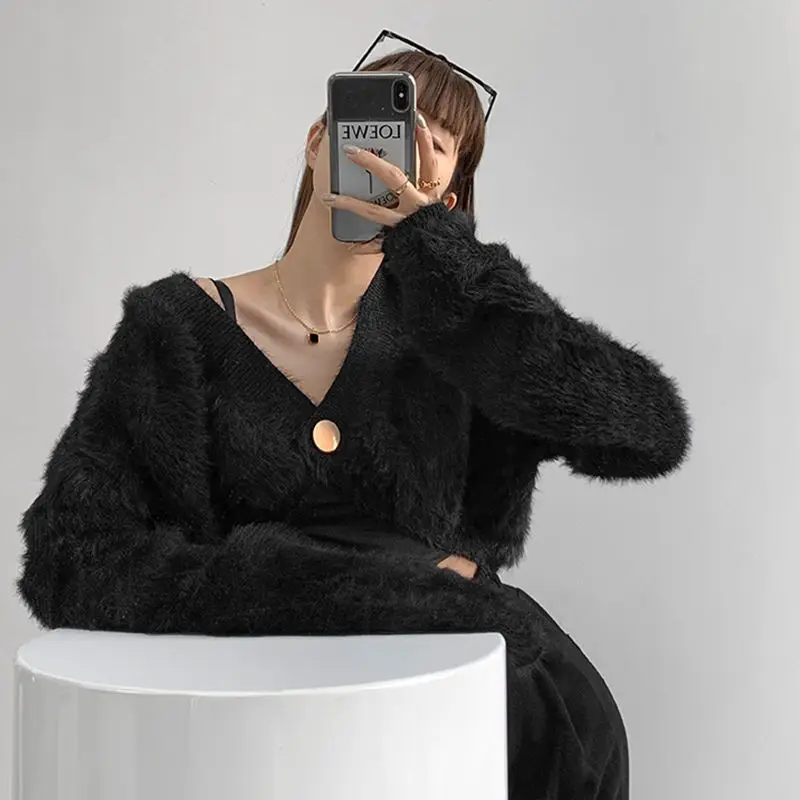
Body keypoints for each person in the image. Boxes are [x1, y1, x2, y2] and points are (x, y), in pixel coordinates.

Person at [17, 45, 691, 800]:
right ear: (319, 141)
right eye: (386, 120)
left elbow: (647, 432)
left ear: (448, 201)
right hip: (260, 743)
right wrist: (371, 590)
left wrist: (451, 273)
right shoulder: (175, 329)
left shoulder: (464, 337)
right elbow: (71, 562)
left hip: (459, 715)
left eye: (434, 144)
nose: (401, 149)